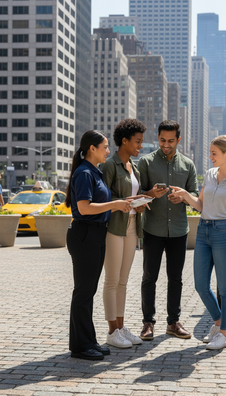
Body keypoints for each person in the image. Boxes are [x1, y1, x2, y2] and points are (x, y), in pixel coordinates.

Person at [170, 135, 226, 350]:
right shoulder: (209, 174)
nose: (210, 156)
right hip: (204, 230)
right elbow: (200, 205)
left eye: (213, 153)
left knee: (225, 288)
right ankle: (218, 323)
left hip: (224, 232)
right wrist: (186, 194)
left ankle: (224, 334)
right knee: (200, 285)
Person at [66, 130, 138, 361]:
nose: (108, 150)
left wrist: (119, 203)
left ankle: (87, 341)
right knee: (83, 292)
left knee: (88, 291)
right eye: (105, 147)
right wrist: (114, 205)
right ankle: (80, 346)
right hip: (85, 233)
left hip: (95, 234)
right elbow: (84, 207)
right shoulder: (84, 173)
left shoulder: (94, 172)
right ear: (92, 149)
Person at [137, 120, 198, 341]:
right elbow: (138, 196)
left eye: (171, 141)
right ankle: (148, 323)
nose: (166, 144)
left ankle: (173, 323)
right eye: (162, 140)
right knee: (149, 277)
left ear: (178, 140)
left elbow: (195, 197)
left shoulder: (188, 165)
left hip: (179, 230)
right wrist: (152, 194)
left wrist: (183, 197)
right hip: (152, 229)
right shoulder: (146, 162)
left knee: (176, 278)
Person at [100, 119, 151, 348]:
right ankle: (112, 331)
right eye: (137, 141)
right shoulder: (110, 165)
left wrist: (140, 203)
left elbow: (131, 198)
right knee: (112, 280)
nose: (140, 145)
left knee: (123, 281)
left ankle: (120, 327)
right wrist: (125, 202)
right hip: (114, 227)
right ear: (125, 140)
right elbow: (101, 199)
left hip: (132, 226)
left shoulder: (134, 166)